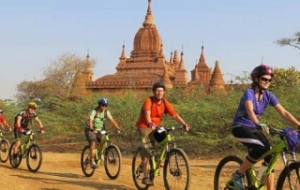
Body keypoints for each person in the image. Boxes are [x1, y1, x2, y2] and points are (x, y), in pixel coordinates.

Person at [231, 64, 300, 190]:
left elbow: (284, 112)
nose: (267, 82)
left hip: (254, 128)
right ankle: (238, 174)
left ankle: (263, 185)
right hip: (240, 127)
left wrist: (299, 124)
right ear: (256, 79)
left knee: (270, 155)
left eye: (269, 80)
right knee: (260, 148)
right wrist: (258, 122)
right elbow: (249, 109)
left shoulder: (269, 96)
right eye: (264, 79)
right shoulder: (249, 92)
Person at [136, 82, 191, 186]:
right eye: (157, 91)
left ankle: (157, 159)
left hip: (156, 127)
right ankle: (145, 177)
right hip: (145, 126)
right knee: (147, 151)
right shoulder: (149, 100)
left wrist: (184, 124)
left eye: (161, 91)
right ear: (154, 92)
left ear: (164, 92)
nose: (159, 93)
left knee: (167, 139)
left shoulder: (165, 103)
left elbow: (174, 115)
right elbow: (147, 112)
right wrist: (149, 122)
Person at [87, 97, 121, 168]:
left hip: (100, 130)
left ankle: (100, 154)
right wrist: (92, 129)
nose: (104, 107)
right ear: (99, 105)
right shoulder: (94, 111)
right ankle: (92, 161)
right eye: (103, 105)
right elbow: (90, 120)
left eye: (106, 105)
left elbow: (112, 120)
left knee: (104, 139)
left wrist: (117, 128)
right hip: (91, 129)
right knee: (93, 143)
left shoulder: (106, 112)